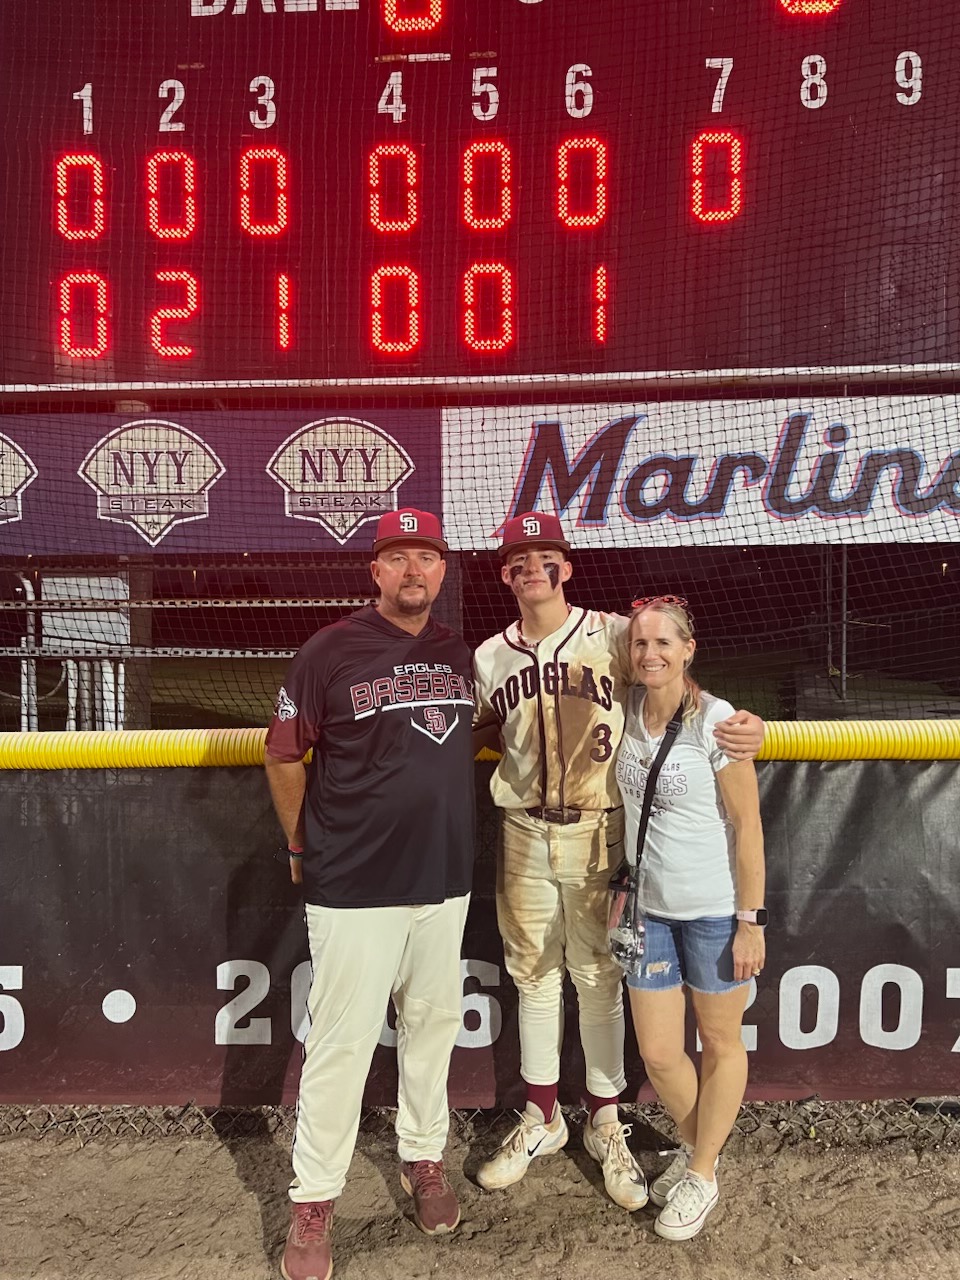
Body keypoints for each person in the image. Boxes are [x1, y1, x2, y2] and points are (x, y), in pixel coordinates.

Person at [472, 512, 763, 1212]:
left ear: (567, 568)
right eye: (519, 561)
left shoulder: (611, 632)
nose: (533, 569)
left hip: (598, 830)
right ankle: (542, 1115)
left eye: (546, 557)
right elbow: (483, 725)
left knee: (598, 977)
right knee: (533, 975)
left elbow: (674, 674)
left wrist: (747, 723)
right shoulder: (489, 656)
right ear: (504, 574)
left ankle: (605, 1122)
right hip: (522, 828)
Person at [264, 508, 476, 1280]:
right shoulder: (329, 650)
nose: (414, 570)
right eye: (398, 557)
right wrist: (299, 844)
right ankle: (314, 1202)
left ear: (442, 571)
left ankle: (424, 1158)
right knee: (342, 1045)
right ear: (375, 570)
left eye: (427, 557)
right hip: (355, 881)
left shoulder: (458, 654)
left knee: (432, 1026)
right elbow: (283, 753)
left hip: (444, 876)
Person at [616, 596, 765, 1241]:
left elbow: (748, 826)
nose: (650, 654)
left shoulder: (718, 721)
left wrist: (751, 920)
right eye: (640, 643)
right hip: (647, 910)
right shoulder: (624, 710)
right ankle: (701, 1149)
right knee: (658, 1053)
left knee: (720, 1041)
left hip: (713, 912)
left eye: (663, 643)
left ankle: (701, 1172)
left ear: (687, 651)